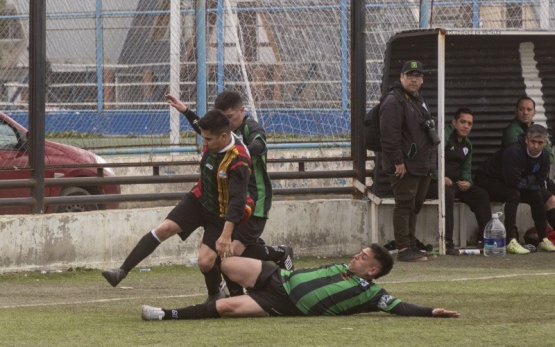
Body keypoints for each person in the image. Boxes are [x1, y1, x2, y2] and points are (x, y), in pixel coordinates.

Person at [102, 109, 256, 301]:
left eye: (208, 140)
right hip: (198, 199)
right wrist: (185, 110)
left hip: (221, 212)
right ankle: (121, 272)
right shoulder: (213, 136)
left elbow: (238, 200)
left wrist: (226, 234)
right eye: (203, 138)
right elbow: (199, 125)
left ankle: (215, 295)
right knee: (164, 228)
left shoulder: (239, 159)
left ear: (223, 136)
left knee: (205, 262)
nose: (204, 143)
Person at [166, 90, 293, 297]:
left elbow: (260, 144)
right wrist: (187, 112)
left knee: (231, 250)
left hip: (255, 202)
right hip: (232, 202)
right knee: (223, 248)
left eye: (229, 117)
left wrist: (239, 154)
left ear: (242, 111)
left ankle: (279, 253)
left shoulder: (250, 129)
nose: (226, 122)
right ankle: (232, 292)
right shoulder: (224, 135)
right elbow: (206, 130)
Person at [140, 243, 460, 321]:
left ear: (373, 271)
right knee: (224, 261)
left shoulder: (372, 293)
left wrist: (430, 311)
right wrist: (284, 263)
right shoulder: (341, 266)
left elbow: (400, 307)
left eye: (363, 257)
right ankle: (233, 286)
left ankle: (167, 315)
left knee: (224, 308)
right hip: (278, 277)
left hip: (283, 303)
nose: (356, 256)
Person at [379, 60, 439, 262]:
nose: (414, 79)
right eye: (410, 75)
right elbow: (389, 135)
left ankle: (412, 244)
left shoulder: (417, 99)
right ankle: (404, 248)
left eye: (418, 76)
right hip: (405, 165)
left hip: (421, 164)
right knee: (404, 204)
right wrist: (398, 161)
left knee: (414, 206)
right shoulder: (393, 101)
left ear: (422, 80)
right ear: (401, 77)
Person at [474, 124, 555, 254]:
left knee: (536, 194)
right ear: (526, 140)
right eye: (533, 142)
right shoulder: (514, 151)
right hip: (487, 180)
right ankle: (510, 240)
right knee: (514, 193)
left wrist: (526, 181)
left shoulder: (544, 155)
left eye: (540, 143)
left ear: (545, 143)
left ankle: (543, 239)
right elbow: (513, 182)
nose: (536, 146)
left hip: (510, 182)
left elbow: (540, 180)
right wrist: (530, 180)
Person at [426, 108, 491, 254]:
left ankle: (484, 240)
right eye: (463, 122)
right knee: (447, 194)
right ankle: (447, 242)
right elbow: (429, 162)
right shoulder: (443, 136)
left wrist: (467, 181)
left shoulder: (467, 144)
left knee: (481, 195)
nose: (466, 126)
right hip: (433, 183)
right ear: (454, 122)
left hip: (455, 184)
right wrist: (439, 177)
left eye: (469, 123)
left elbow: (466, 169)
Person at [502, 96, 555, 237]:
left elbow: (548, 156)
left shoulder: (537, 131)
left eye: (529, 109)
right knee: (550, 200)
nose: (525, 112)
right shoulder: (512, 132)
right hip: (518, 180)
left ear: (534, 112)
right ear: (516, 111)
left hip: (535, 178)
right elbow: (521, 159)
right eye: (521, 109)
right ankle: (543, 237)